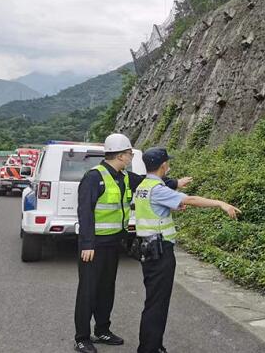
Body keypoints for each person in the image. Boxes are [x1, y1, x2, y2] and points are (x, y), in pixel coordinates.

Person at [74, 134, 192, 353]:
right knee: (88, 290)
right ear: (120, 155)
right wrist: (87, 244)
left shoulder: (124, 177)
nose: (131, 156)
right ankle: (82, 337)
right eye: (129, 153)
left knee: (107, 288)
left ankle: (102, 330)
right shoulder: (93, 178)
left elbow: (149, 183)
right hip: (94, 245)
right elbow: (85, 213)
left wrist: (175, 183)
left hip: (113, 242)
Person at [135, 147, 241, 353]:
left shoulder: (144, 186)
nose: (169, 166)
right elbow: (190, 199)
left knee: (154, 300)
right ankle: (148, 348)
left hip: (148, 249)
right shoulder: (157, 189)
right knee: (157, 303)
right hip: (160, 251)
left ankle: (154, 344)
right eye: (168, 163)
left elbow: (157, 207)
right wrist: (220, 203)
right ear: (163, 166)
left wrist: (172, 206)